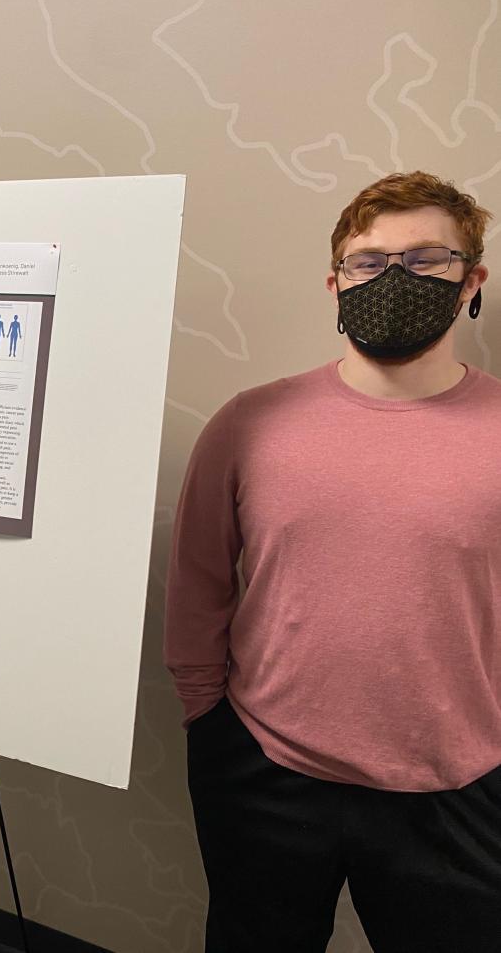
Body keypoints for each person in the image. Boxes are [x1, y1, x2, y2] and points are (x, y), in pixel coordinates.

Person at [165, 170, 498, 952]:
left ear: (472, 279)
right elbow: (199, 582)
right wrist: (205, 717)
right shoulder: (251, 423)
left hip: (455, 782)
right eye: (369, 261)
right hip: (265, 767)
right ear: (335, 280)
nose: (394, 278)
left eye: (425, 260)